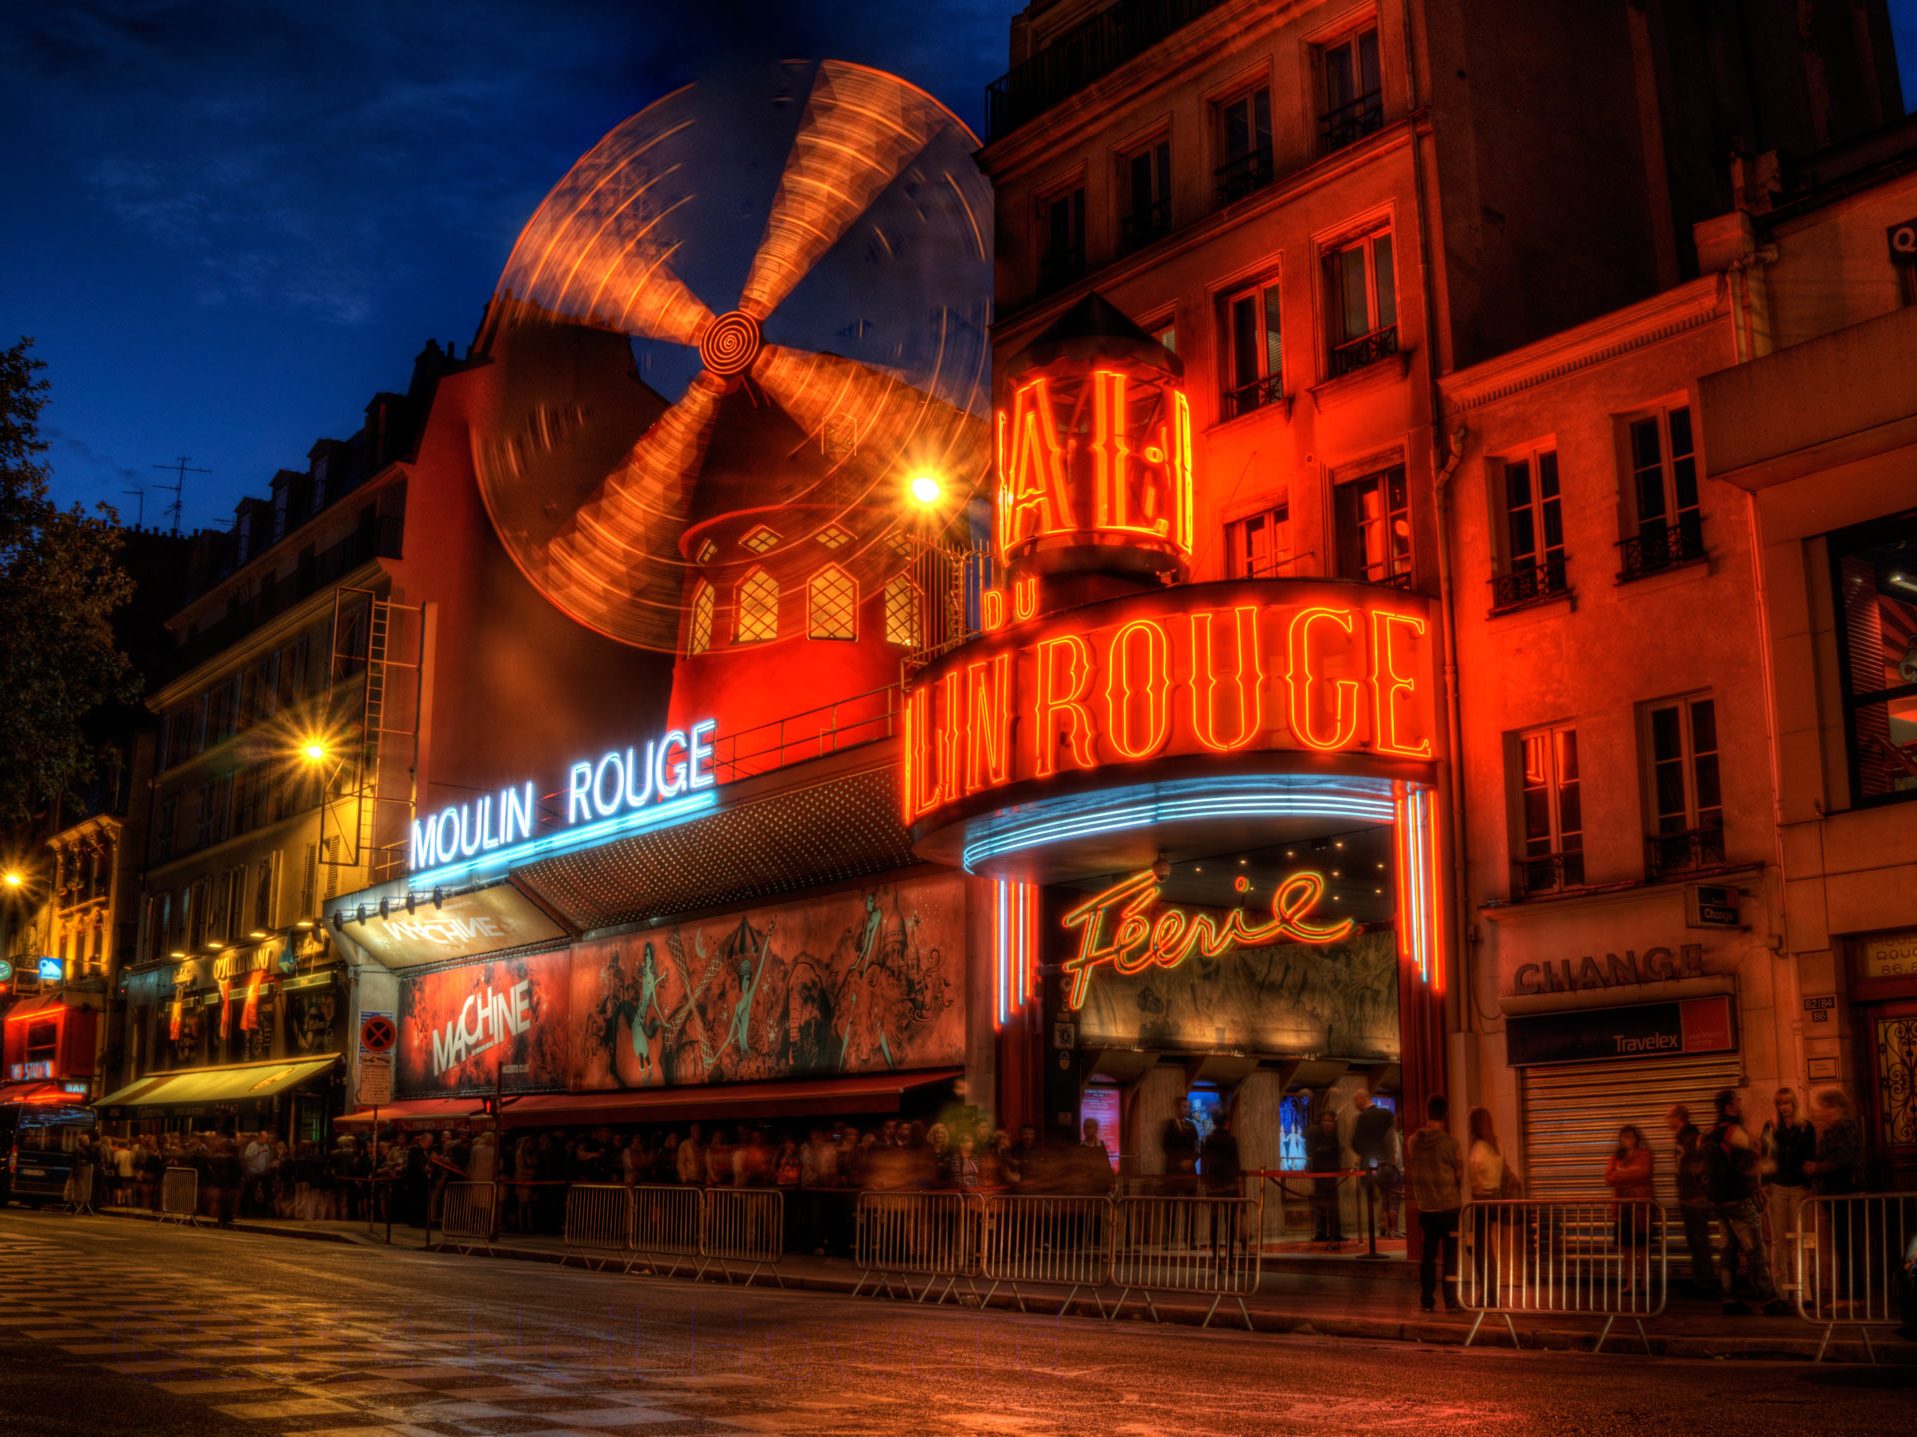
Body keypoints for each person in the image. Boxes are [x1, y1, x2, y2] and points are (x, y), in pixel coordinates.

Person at [1704, 1089, 1790, 1316]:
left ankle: (1729, 1299)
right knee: (1755, 1250)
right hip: (1738, 1199)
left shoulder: (1712, 1132)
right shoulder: (1733, 1131)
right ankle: (1770, 1299)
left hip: (1719, 1201)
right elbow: (1756, 1156)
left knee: (1728, 1250)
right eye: (1737, 1101)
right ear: (1728, 1106)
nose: (1740, 1105)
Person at [1405, 1094, 1463, 1314]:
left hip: (1425, 1207)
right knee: (1450, 1255)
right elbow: (1459, 1174)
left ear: (1426, 1113)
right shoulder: (1451, 1143)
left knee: (1427, 1255)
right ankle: (1450, 1300)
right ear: (1445, 1114)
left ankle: (1426, 1300)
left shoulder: (1413, 1142)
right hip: (1449, 1206)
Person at [1804, 1087, 1863, 1303]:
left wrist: (1817, 1168)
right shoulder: (1834, 1129)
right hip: (1836, 1192)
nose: (1819, 1112)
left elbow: (1844, 1159)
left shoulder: (1843, 1127)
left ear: (1835, 1107)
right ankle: (1850, 1293)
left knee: (1847, 1244)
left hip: (1844, 1192)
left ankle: (1852, 1294)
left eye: (1823, 1107)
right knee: (1844, 1243)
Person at [1759, 1087, 1815, 1297]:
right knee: (1778, 1241)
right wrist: (1764, 1183)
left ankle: (1804, 1291)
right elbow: (1766, 1157)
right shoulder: (1771, 1127)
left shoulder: (1806, 1128)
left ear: (1794, 1104)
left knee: (1801, 1239)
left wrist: (1809, 1184)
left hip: (1799, 1186)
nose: (1784, 1107)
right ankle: (1781, 1292)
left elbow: (1810, 1156)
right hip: (1778, 1186)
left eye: (1787, 1102)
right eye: (1780, 1103)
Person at [1603, 1125, 1654, 1290]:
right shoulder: (1615, 1157)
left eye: (1631, 1137)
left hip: (1640, 1208)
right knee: (1627, 1248)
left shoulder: (1644, 1154)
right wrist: (1627, 1174)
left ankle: (1645, 1282)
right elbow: (1608, 1178)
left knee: (1642, 1247)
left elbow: (1643, 1173)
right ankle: (1630, 1282)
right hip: (1622, 1209)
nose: (1628, 1140)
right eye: (1625, 1137)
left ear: (1637, 1138)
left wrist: (1620, 1173)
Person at [1464, 1107, 1505, 1301]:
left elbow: (1475, 1174)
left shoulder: (1479, 1147)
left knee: (1480, 1248)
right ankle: (1491, 1291)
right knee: (1485, 1247)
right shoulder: (1496, 1144)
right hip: (1495, 1198)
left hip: (1481, 1202)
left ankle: (1488, 1292)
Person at [1672, 1122, 1717, 1294]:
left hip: (1694, 1200)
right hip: (1689, 1198)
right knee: (1696, 1241)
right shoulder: (1683, 1139)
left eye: (1670, 1117)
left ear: (1678, 1118)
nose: (1666, 1121)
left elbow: (1695, 1169)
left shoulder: (1691, 1140)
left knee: (1699, 1240)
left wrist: (1696, 1194)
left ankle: (1705, 1281)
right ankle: (1701, 1278)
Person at [1350, 1089, 1401, 1238]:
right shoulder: (1387, 1115)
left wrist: (1364, 1153)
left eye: (1356, 1101)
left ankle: (1381, 1229)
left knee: (1378, 1200)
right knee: (1390, 1197)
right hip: (1388, 1164)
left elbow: (1355, 1143)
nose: (1355, 1105)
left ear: (1362, 1098)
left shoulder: (1362, 1119)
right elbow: (1392, 1141)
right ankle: (1392, 1230)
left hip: (1369, 1165)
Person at [1306, 1107, 1344, 1244]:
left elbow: (1337, 1152)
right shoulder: (1314, 1133)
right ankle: (1321, 1232)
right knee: (1321, 1204)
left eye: (1331, 1120)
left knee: (1333, 1205)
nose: (1328, 1123)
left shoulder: (1335, 1135)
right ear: (1321, 1121)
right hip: (1319, 1172)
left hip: (1331, 1173)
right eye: (1326, 1120)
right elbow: (1312, 1151)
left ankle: (1335, 1232)